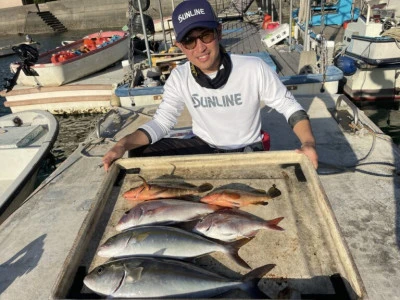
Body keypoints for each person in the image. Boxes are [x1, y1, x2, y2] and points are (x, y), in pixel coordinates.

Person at [102, 0, 318, 171]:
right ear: (180, 46)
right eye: (189, 41)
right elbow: (162, 122)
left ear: (219, 33)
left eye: (205, 35)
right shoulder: (179, 77)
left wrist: (308, 142)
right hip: (204, 146)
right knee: (138, 153)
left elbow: (289, 107)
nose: (200, 48)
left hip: (246, 149)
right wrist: (122, 143)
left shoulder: (253, 68)